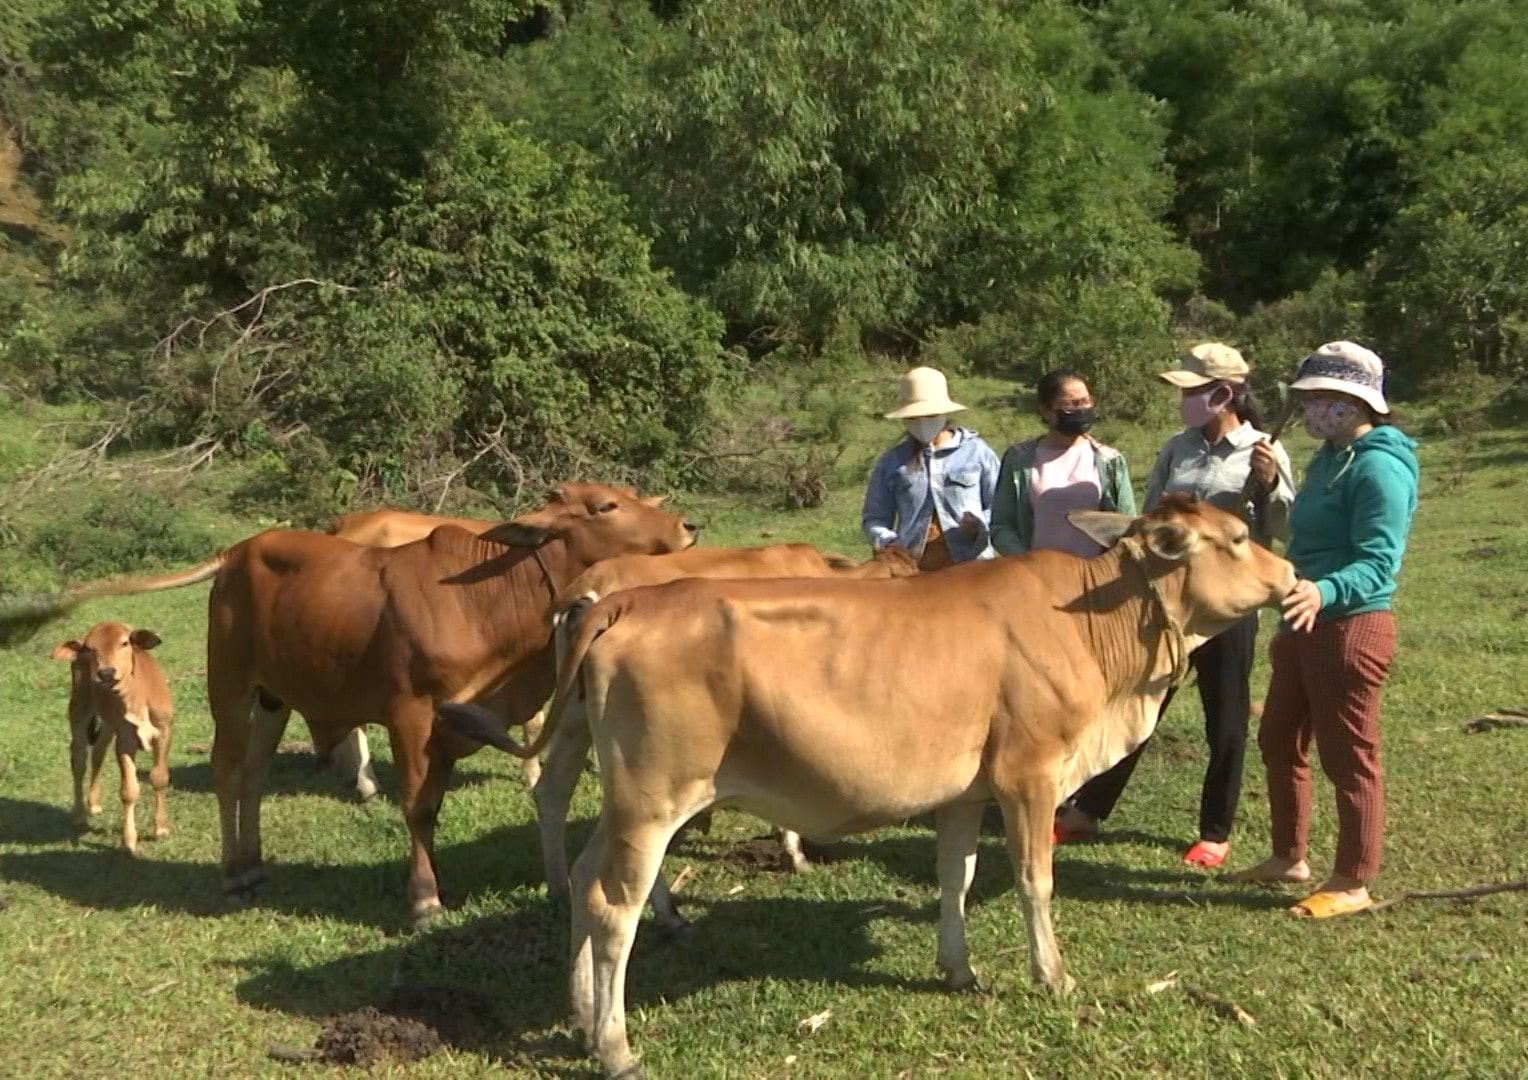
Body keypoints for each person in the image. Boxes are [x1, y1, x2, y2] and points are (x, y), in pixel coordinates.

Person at [1051, 343, 1296, 867]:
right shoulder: (1176, 448)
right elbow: (1152, 517)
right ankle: (1087, 811)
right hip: (1168, 608)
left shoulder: (1263, 451)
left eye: (1192, 390)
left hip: (1229, 607)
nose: (1184, 399)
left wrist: (1270, 484)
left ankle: (1215, 831)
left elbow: (1281, 528)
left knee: (1225, 718)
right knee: (1140, 704)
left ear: (1223, 394)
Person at [1229, 341, 1419, 919]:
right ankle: (1289, 856)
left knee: (1349, 754)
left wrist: (1325, 590)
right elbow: (1300, 533)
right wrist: (1267, 488)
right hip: (1303, 619)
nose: (1312, 413)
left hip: (1350, 627)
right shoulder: (1329, 459)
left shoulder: (1380, 466)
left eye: (1323, 402)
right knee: (1279, 737)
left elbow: (1379, 561)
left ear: (1355, 403)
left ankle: (1353, 879)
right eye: (1308, 402)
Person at [862, 366, 1000, 570]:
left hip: (973, 566)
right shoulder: (893, 461)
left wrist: (980, 525)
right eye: (913, 418)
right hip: (916, 568)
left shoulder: (977, 453)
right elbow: (874, 518)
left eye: (930, 415)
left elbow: (999, 506)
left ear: (944, 413)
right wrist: (889, 541)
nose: (922, 423)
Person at [990, 369, 1135, 559]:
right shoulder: (1018, 461)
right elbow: (1002, 526)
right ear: (1046, 410)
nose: (1080, 410)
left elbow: (1128, 525)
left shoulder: (1110, 461)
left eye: (1085, 402)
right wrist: (1027, 562)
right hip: (1039, 578)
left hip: (1094, 577)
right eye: (1070, 405)